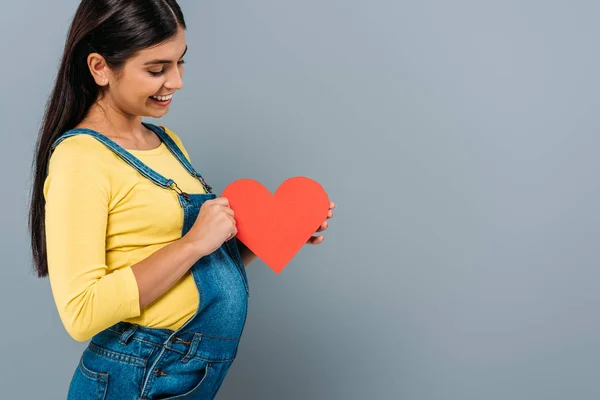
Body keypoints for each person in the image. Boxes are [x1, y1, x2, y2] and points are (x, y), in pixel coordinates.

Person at [27, 1, 336, 398]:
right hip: (134, 378)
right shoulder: (81, 159)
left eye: (180, 63)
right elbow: (81, 312)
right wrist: (193, 242)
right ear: (100, 68)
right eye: (156, 69)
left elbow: (190, 272)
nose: (176, 81)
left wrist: (274, 235)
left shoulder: (168, 145)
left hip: (184, 375)